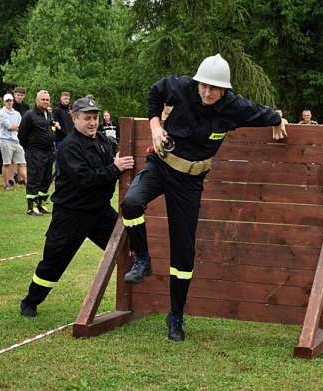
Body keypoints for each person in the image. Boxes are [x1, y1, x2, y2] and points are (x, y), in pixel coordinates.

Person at [119, 54, 288, 341]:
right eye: (203, 86)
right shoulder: (182, 87)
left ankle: (176, 316)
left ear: (225, 89)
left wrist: (277, 121)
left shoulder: (235, 107)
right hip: (160, 166)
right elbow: (154, 92)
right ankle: (143, 258)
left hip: (190, 182)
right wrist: (156, 126)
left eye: (213, 88)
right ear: (196, 83)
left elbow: (267, 113)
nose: (207, 92)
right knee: (130, 203)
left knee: (183, 252)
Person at [20, 98, 134, 317]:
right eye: (87, 118)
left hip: (100, 213)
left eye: (95, 118)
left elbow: (116, 162)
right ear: (74, 118)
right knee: (53, 262)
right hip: (70, 216)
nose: (92, 123)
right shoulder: (69, 146)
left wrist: (117, 162)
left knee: (128, 248)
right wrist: (114, 167)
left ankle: (140, 300)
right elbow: (85, 179)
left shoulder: (103, 140)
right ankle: (30, 302)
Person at [19, 90, 58, 216]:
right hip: (35, 151)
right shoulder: (29, 115)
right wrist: (30, 147)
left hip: (48, 152)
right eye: (43, 99)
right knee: (34, 178)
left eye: (47, 100)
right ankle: (32, 206)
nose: (46, 102)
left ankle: (42, 204)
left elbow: (52, 131)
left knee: (46, 179)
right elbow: (22, 135)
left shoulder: (50, 115)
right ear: (37, 100)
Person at [0, 93, 27, 191]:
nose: (9, 102)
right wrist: (15, 126)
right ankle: (7, 183)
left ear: (13, 101)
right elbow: (9, 127)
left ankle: (27, 182)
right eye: (7, 101)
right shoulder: (2, 113)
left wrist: (15, 126)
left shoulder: (17, 114)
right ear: (4, 102)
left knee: (22, 163)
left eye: (10, 101)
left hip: (16, 141)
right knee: (7, 163)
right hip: (6, 141)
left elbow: (21, 127)